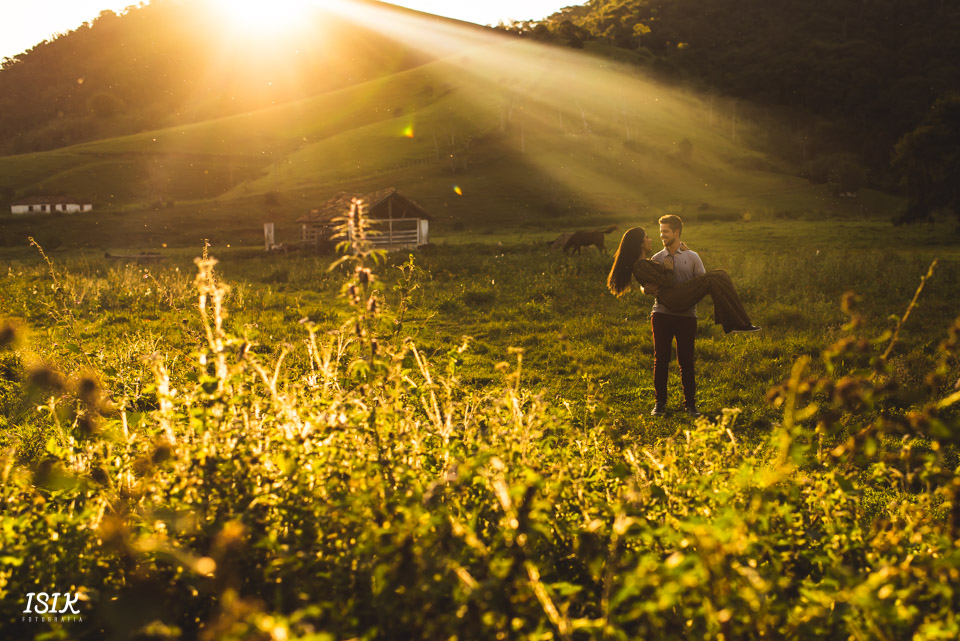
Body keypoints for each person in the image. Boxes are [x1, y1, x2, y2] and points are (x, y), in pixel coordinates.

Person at [606, 220, 760, 418]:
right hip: (665, 308)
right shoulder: (656, 258)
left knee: (687, 360)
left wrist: (681, 279)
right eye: (654, 234)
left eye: (665, 231)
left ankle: (691, 404)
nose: (658, 236)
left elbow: (693, 281)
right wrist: (650, 285)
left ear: (676, 232)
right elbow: (656, 280)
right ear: (640, 243)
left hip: (686, 311)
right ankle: (660, 403)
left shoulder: (691, 256)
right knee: (661, 359)